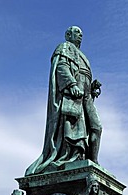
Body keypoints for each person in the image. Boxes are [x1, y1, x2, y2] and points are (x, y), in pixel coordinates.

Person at [25, 26, 102, 175]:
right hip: (74, 95)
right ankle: (72, 156)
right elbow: (61, 67)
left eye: (81, 34)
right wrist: (71, 84)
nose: (80, 35)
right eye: (77, 32)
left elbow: (83, 76)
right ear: (68, 35)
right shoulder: (64, 47)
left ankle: (93, 161)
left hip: (85, 95)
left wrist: (92, 88)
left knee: (96, 127)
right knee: (74, 127)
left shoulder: (83, 56)